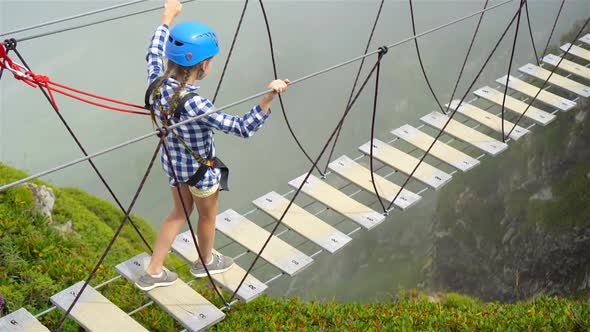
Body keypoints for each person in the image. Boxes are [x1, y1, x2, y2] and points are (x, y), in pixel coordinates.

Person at [135, 0, 289, 291]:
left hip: (174, 165)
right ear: (203, 64)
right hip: (201, 173)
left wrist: (168, 15)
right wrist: (268, 97)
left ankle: (153, 271)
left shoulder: (155, 82)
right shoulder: (197, 104)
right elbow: (242, 128)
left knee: (179, 212)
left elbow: (153, 51)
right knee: (207, 216)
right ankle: (205, 261)